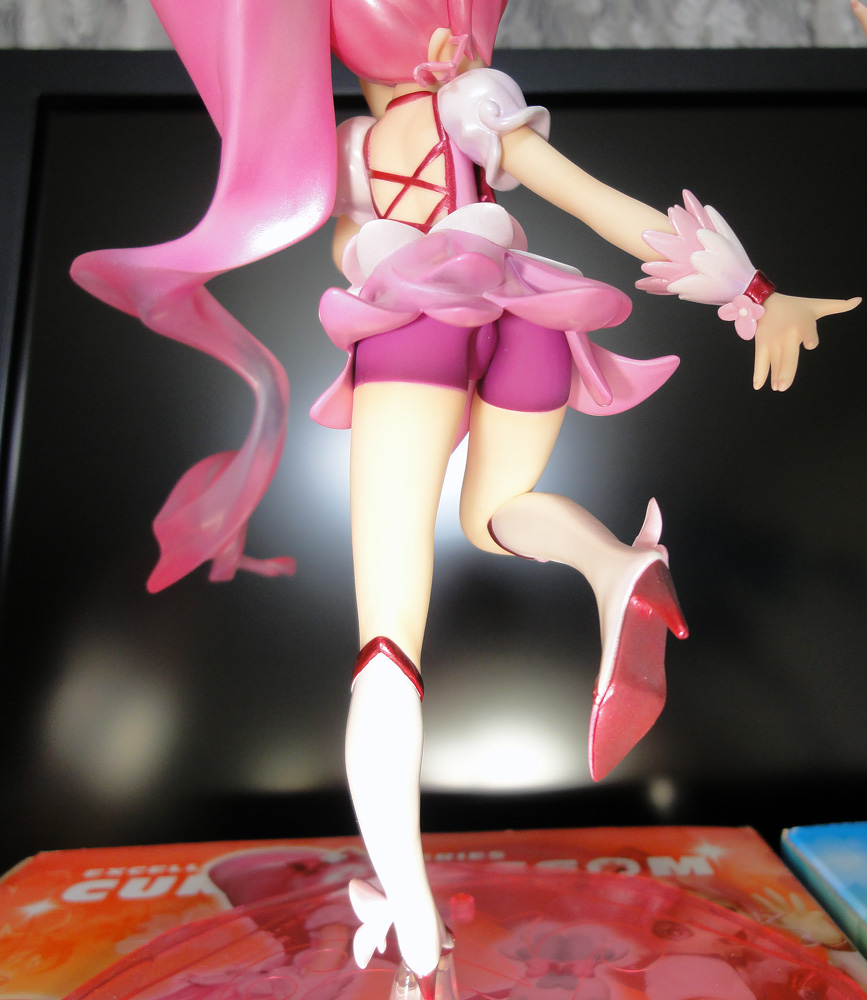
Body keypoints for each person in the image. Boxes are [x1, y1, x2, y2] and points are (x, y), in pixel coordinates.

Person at [70, 2, 859, 997]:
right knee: (495, 511)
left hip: (415, 333)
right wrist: (753, 294)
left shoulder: (348, 150)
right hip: (527, 316)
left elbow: (356, 247)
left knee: (386, 646)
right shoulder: (475, 108)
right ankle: (614, 566)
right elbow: (598, 204)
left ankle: (414, 926)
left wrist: (368, 239)